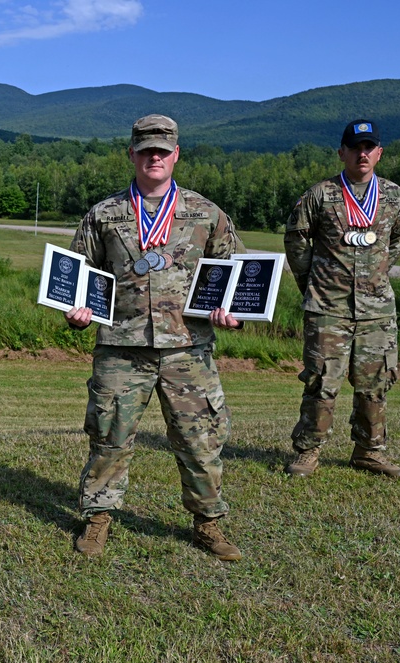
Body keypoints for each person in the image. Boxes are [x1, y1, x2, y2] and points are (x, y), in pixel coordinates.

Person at [65, 115, 244, 561]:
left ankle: (209, 523)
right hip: (120, 347)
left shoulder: (206, 213)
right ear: (132, 154)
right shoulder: (104, 215)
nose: (155, 157)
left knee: (200, 438)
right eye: (146, 150)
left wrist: (232, 310)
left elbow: (236, 273)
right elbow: (76, 273)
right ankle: (98, 519)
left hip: (187, 348)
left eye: (163, 150)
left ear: (176, 154)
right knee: (109, 437)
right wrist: (76, 310)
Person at [283, 120, 400, 479]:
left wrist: (379, 270)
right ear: (342, 152)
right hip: (327, 308)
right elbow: (296, 240)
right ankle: (308, 451)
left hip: (376, 310)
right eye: (355, 147)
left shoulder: (393, 196)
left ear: (379, 153)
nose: (362, 153)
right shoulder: (320, 195)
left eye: (369, 147)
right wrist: (313, 284)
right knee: (321, 380)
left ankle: (369, 451)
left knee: (376, 381)